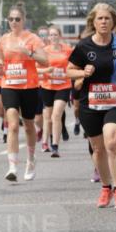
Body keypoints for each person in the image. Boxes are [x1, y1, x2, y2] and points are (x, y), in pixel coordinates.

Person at [67, 2, 116, 210]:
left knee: (112, 141)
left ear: (113, 21)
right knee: (98, 149)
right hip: (91, 102)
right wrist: (82, 73)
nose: (104, 22)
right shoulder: (84, 46)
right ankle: (105, 188)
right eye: (100, 18)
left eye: (107, 18)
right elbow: (70, 70)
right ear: (93, 22)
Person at [0, 3, 48, 183]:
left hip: (29, 86)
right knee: (12, 124)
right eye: (11, 19)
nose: (14, 22)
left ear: (24, 20)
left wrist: (30, 53)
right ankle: (12, 166)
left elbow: (45, 61)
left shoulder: (32, 38)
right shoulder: (4, 40)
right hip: (9, 84)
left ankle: (31, 160)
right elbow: (0, 61)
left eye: (17, 19)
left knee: (28, 125)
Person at [37, 25, 72, 157]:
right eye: (50, 35)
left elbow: (73, 66)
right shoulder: (44, 51)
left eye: (55, 35)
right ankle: (45, 141)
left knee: (56, 115)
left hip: (63, 86)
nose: (53, 37)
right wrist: (46, 71)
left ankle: (55, 145)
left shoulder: (67, 50)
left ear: (60, 36)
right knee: (47, 117)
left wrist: (67, 73)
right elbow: (36, 69)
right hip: (47, 86)